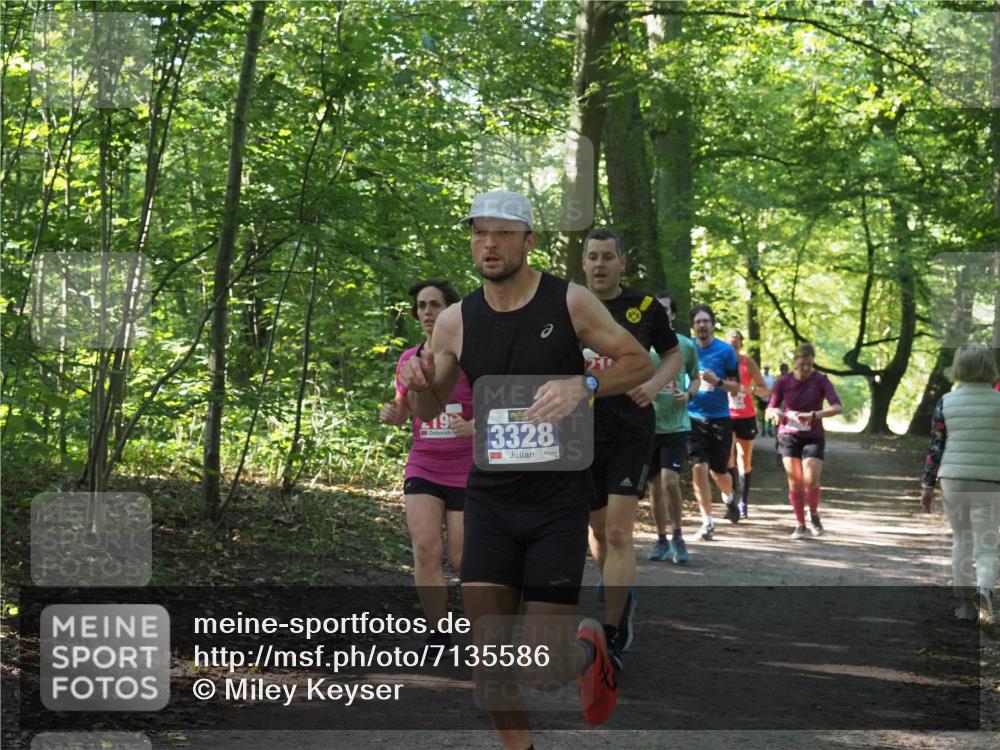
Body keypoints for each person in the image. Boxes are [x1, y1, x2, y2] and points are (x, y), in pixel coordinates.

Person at [399, 190, 655, 742]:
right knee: (488, 669)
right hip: (490, 501)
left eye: (503, 232)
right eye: (479, 233)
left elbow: (638, 362)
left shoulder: (570, 302)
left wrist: (583, 384)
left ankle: (591, 652)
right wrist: (417, 387)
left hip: (557, 504)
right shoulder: (454, 320)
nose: (489, 243)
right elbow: (430, 408)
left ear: (528, 241)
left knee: (542, 669)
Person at [581, 229, 681, 666]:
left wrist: (656, 383)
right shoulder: (567, 306)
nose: (599, 264)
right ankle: (622, 597)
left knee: (620, 532)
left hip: (631, 430)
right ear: (583, 263)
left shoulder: (643, 308)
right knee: (598, 532)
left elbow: (673, 354)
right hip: (578, 434)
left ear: (622, 261)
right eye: (592, 257)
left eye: (607, 257)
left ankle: (613, 630)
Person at [380, 279, 472, 646]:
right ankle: (438, 633)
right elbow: (404, 412)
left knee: (462, 557)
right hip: (424, 465)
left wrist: (473, 426)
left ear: (451, 310)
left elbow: (499, 406)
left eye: (435, 305)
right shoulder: (409, 359)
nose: (428, 312)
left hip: (467, 468)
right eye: (421, 306)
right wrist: (392, 413)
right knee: (425, 549)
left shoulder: (471, 357)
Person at [920, 343, 1000, 629]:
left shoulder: (946, 402)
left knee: (961, 540)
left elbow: (936, 445)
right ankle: (985, 595)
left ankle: (965, 606)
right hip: (992, 479)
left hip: (954, 478)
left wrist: (927, 485)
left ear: (958, 368)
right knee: (987, 545)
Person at [766, 343, 843, 539]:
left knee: (811, 479)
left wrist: (814, 415)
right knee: (795, 482)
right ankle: (800, 524)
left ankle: (814, 514)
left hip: (813, 435)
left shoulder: (821, 380)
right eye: (802, 365)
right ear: (795, 362)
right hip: (788, 435)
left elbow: (837, 407)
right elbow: (770, 408)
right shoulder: (784, 382)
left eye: (809, 364)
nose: (806, 369)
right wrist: (775, 412)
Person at [646, 292, 700, 565]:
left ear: (673, 314)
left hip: (677, 426)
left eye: (666, 309)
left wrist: (689, 395)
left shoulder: (685, 345)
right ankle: (661, 538)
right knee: (655, 486)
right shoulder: (642, 345)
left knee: (670, 481)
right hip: (648, 426)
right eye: (657, 309)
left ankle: (678, 535)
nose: (662, 313)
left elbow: (696, 377)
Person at [687, 304, 741, 539]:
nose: (702, 325)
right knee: (699, 467)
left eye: (705, 321)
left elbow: (737, 386)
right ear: (693, 326)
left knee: (719, 473)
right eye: (698, 322)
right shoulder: (686, 349)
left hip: (720, 418)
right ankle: (707, 521)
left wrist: (718, 382)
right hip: (692, 417)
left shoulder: (726, 351)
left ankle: (729, 498)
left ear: (713, 325)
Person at [724, 331, 771, 519]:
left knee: (744, 460)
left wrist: (748, 389)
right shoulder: (721, 362)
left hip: (745, 416)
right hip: (725, 415)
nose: (733, 347)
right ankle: (731, 502)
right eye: (730, 344)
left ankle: (744, 501)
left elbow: (764, 389)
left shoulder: (748, 363)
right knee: (728, 459)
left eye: (736, 344)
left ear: (741, 345)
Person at [759, 365, 776, 436]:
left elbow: (773, 387)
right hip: (762, 397)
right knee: (762, 414)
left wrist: (770, 394)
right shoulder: (761, 377)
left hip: (769, 397)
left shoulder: (771, 377)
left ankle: (769, 429)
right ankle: (763, 429)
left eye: (767, 369)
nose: (766, 370)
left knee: (770, 414)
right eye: (765, 369)